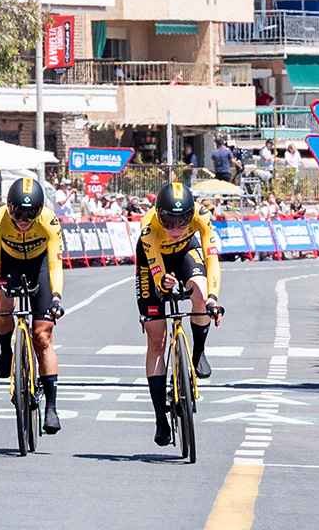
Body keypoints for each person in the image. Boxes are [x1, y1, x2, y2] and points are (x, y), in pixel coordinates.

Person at [135, 182, 224, 447]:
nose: (176, 230)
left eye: (183, 222)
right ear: (159, 215)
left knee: (200, 294)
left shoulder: (202, 216)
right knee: (157, 340)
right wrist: (164, 284)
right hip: (154, 264)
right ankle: (160, 418)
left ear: (191, 215)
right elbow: (158, 277)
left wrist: (213, 298)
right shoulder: (149, 227)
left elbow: (212, 260)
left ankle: (197, 355)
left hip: (186, 254)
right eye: (169, 223)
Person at [0, 177, 65, 434]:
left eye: (30, 213)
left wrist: (56, 297)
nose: (24, 220)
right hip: (9, 263)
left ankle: (51, 408)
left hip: (39, 266)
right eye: (18, 213)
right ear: (9, 208)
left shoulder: (49, 220)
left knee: (42, 336)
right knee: (3, 306)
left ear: (40, 210)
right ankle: (6, 351)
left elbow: (55, 262)